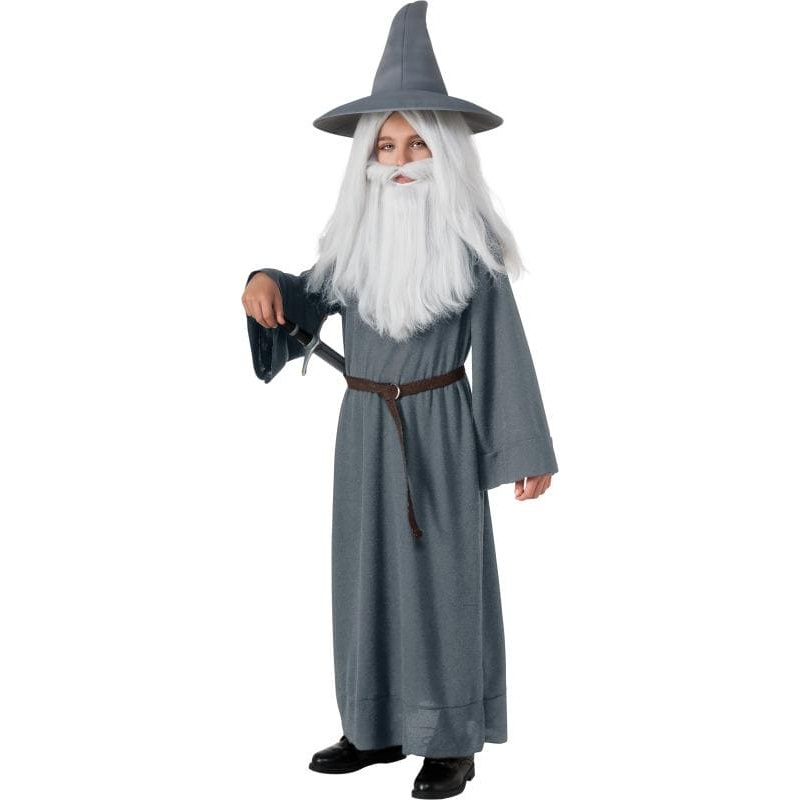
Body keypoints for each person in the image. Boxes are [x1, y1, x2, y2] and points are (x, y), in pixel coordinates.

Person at [241, 4, 558, 798]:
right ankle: (374, 725)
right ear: (366, 159)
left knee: (445, 578)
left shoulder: (474, 250)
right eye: (385, 146)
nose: (401, 160)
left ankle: (449, 739)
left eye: (417, 144)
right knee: (365, 575)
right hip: (365, 429)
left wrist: (521, 449)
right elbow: (305, 296)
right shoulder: (351, 244)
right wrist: (262, 282)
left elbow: (506, 352)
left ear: (445, 152)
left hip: (441, 429)